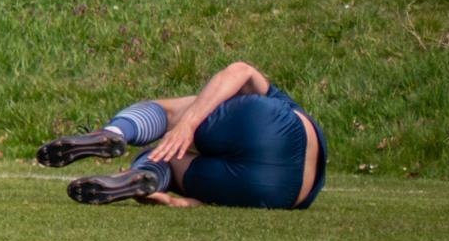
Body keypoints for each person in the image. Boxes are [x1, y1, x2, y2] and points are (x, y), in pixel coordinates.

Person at [36, 61, 328, 210]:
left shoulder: (278, 103)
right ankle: (140, 177)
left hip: (279, 130)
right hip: (280, 195)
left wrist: (188, 123)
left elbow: (240, 70)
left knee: (170, 114)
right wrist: (176, 202)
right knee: (168, 159)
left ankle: (114, 132)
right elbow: (213, 202)